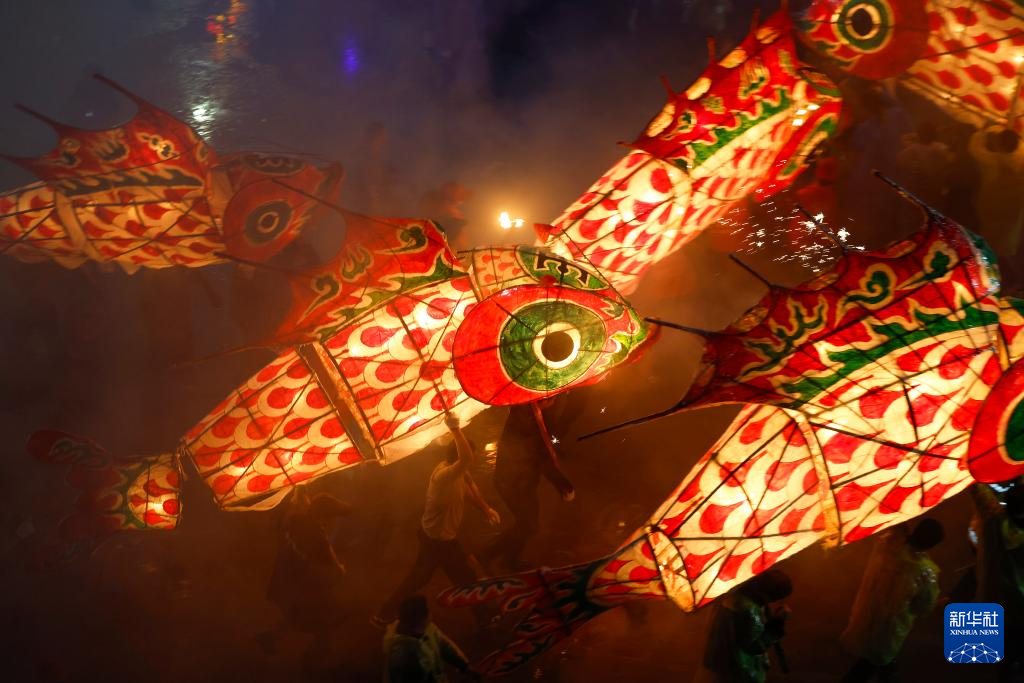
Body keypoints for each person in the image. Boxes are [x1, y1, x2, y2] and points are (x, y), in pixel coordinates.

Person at [374, 413, 500, 626]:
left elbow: (470, 489)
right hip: (437, 542)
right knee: (460, 579)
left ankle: (383, 614)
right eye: (470, 455)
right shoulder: (444, 475)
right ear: (459, 457)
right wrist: (454, 428)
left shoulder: (457, 473)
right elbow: (466, 459)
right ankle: (485, 618)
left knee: (441, 578)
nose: (472, 460)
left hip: (441, 539)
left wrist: (486, 509)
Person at [840, 518, 944, 682]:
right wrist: (938, 603)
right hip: (889, 629)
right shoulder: (924, 571)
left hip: (867, 614)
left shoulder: (887, 547)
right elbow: (923, 607)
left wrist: (899, 529)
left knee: (875, 661)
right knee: (875, 662)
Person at [260, 491, 352, 671]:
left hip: (294, 584)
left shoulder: (297, 521)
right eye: (331, 516)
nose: (332, 520)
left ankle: (269, 637)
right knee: (323, 626)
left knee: (297, 617)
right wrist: (339, 570)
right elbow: (326, 562)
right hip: (306, 588)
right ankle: (310, 665)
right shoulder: (313, 533)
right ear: (324, 515)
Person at [480, 399, 574, 572]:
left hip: (522, 481)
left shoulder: (534, 412)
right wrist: (561, 483)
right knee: (529, 525)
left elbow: (544, 443)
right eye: (551, 398)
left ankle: (508, 559)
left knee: (528, 524)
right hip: (512, 482)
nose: (554, 400)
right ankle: (487, 555)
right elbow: (538, 453)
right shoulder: (526, 416)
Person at [695, 569, 793, 683]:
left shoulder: (729, 595)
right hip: (736, 673)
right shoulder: (749, 610)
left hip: (716, 664)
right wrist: (777, 624)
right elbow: (755, 646)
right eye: (776, 597)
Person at [971, 482, 1024, 681]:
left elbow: (981, 497)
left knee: (1007, 649)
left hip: (1001, 603)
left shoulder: (994, 521)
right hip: (1016, 610)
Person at [382, 594, 475, 682]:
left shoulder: (428, 628)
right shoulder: (402, 655)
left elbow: (444, 646)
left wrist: (465, 666)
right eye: (428, 610)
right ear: (423, 619)